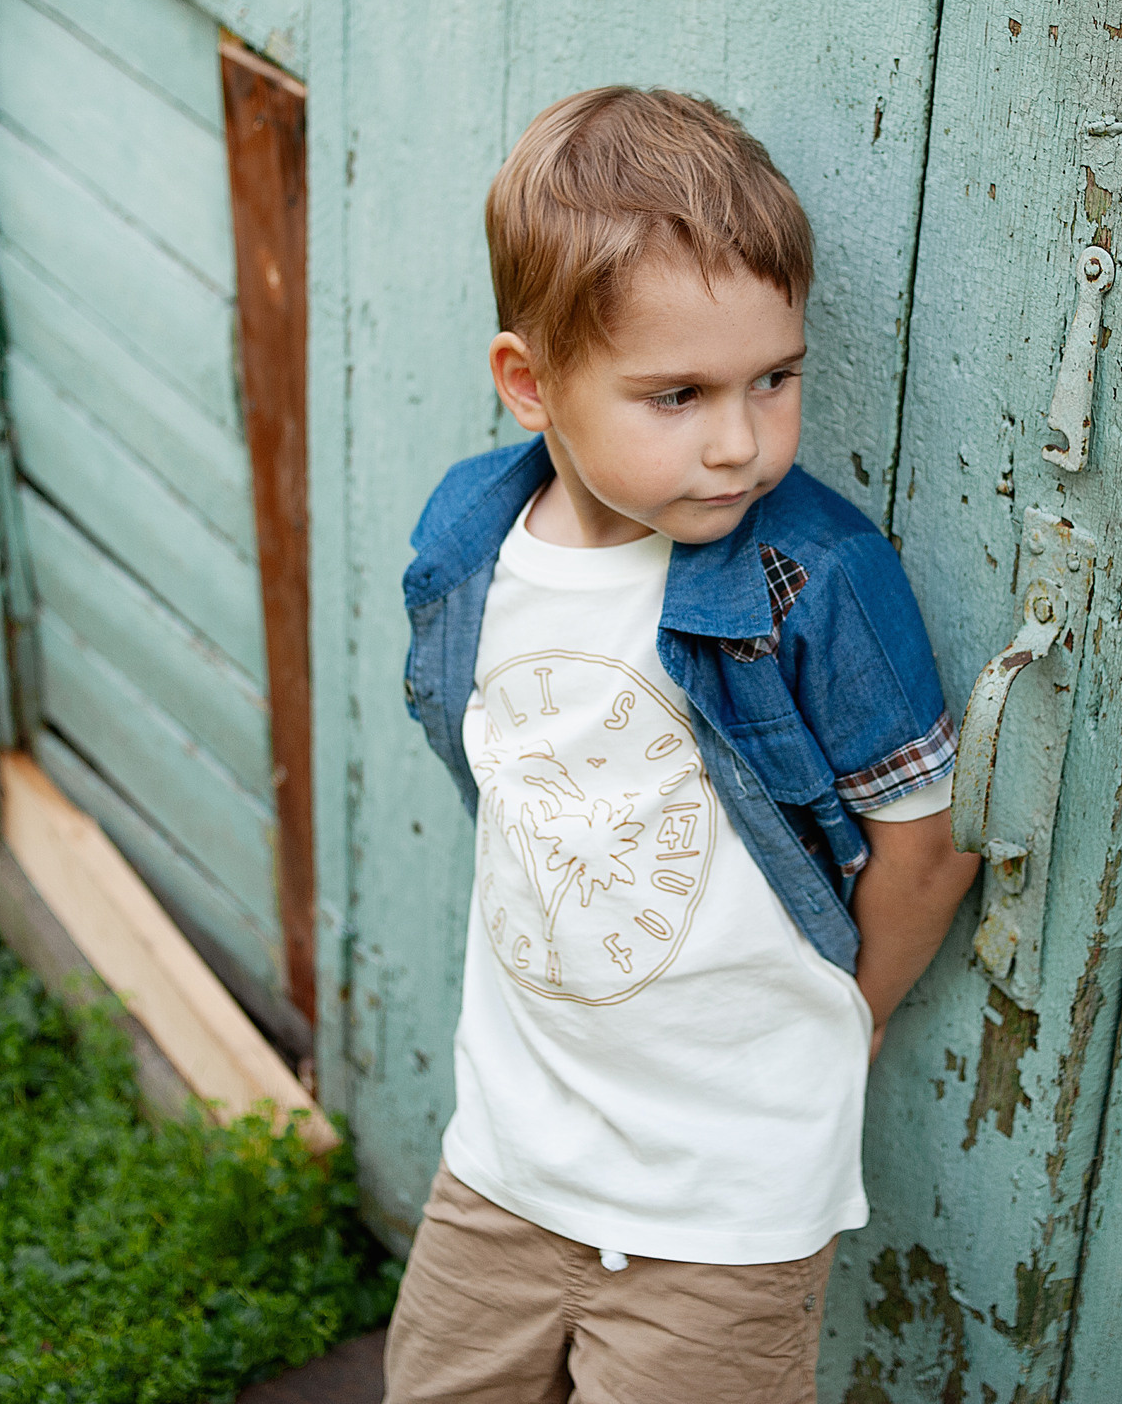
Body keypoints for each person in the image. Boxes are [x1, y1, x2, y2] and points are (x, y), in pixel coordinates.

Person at [386, 87, 980, 1403]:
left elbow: (925, 854)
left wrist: (851, 1021)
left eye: (774, 379)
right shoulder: (470, 550)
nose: (739, 442)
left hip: (727, 1202)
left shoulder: (814, 582)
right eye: (678, 395)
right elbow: (505, 775)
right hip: (509, 1156)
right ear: (530, 385)